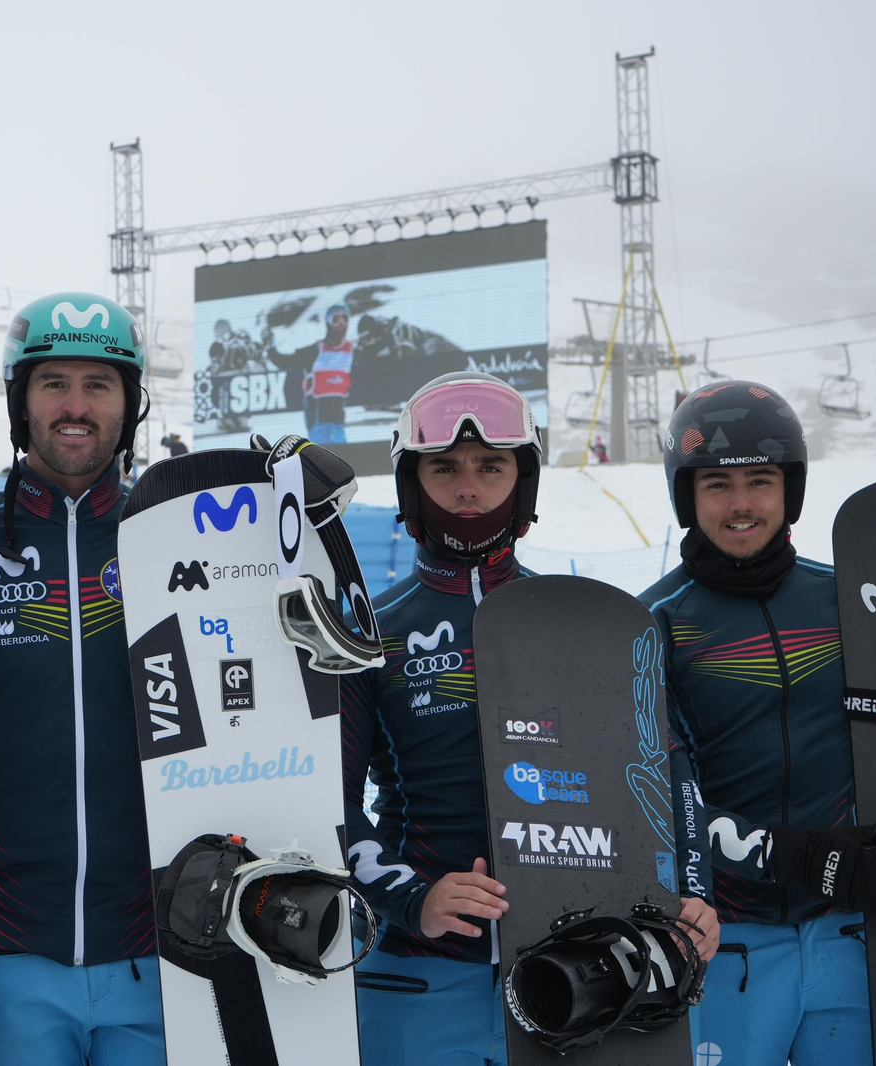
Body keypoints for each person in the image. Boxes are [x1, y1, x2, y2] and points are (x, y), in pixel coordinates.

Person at [343, 372, 719, 1065]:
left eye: (491, 466)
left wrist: (694, 890)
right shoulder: (373, 634)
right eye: (444, 468)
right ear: (409, 484)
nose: (467, 489)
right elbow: (334, 810)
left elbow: (669, 768)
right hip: (423, 974)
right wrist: (412, 899)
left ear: (523, 481)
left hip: (582, 971)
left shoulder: (588, 620)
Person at [0, 292, 164, 1066]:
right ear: (20, 400)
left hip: (161, 948)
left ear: (130, 403)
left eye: (99, 385)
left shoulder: (183, 547)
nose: (75, 406)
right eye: (54, 384)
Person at [640, 380, 876, 1066]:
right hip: (726, 940)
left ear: (788, 489)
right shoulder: (655, 623)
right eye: (717, 484)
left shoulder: (849, 599)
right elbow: (652, 794)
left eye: (760, 481)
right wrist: (781, 856)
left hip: (851, 933)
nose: (740, 504)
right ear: (687, 495)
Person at [267, 301, 354, 443]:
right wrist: (270, 349)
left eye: (344, 318)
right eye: (335, 319)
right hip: (318, 420)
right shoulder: (316, 350)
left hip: (338, 421)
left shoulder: (349, 350)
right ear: (327, 323)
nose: (341, 324)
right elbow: (286, 361)